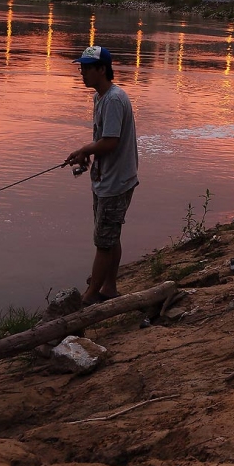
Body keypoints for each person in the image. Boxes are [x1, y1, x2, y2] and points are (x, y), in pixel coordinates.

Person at [66, 45, 139, 305]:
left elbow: (110, 142)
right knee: (110, 235)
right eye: (81, 67)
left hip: (116, 182)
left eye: (86, 68)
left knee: (104, 242)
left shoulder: (115, 99)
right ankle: (108, 287)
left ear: (101, 69)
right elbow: (102, 141)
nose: (81, 72)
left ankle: (90, 296)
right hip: (105, 178)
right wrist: (87, 155)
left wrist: (84, 149)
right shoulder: (100, 97)